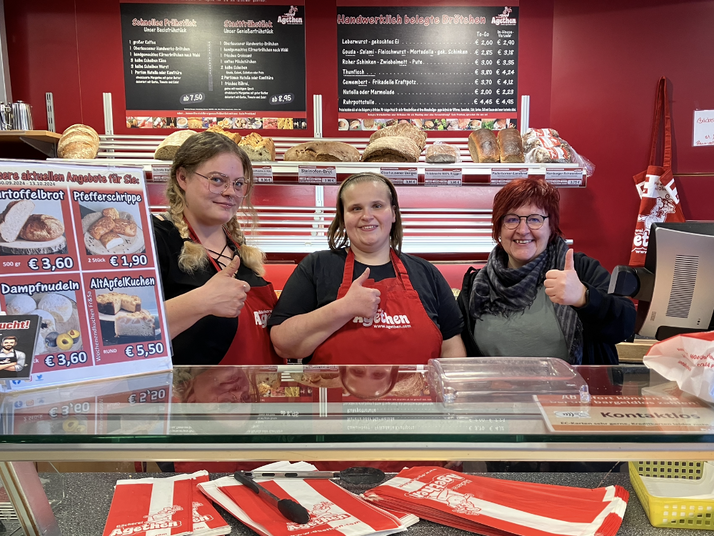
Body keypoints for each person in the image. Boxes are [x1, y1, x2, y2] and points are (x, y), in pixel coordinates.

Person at [269, 172, 466, 363]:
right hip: (337, 396)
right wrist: (344, 308)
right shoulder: (317, 267)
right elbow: (283, 345)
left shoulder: (426, 273)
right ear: (343, 218)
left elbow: (451, 347)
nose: (367, 216)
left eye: (377, 206)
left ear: (394, 213)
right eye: (356, 208)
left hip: (417, 396)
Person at [459, 178, 636, 364]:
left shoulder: (579, 270)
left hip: (572, 391)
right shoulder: (476, 286)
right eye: (512, 219)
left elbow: (625, 324)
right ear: (499, 229)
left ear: (551, 227)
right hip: (498, 392)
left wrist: (585, 298)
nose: (522, 230)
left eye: (535, 219)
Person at [152, 131, 280, 366]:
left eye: (238, 183)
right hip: (192, 400)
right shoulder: (154, 239)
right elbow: (122, 336)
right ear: (182, 177)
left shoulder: (239, 249)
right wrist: (200, 301)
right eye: (217, 180)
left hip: (254, 397)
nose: (230, 192)